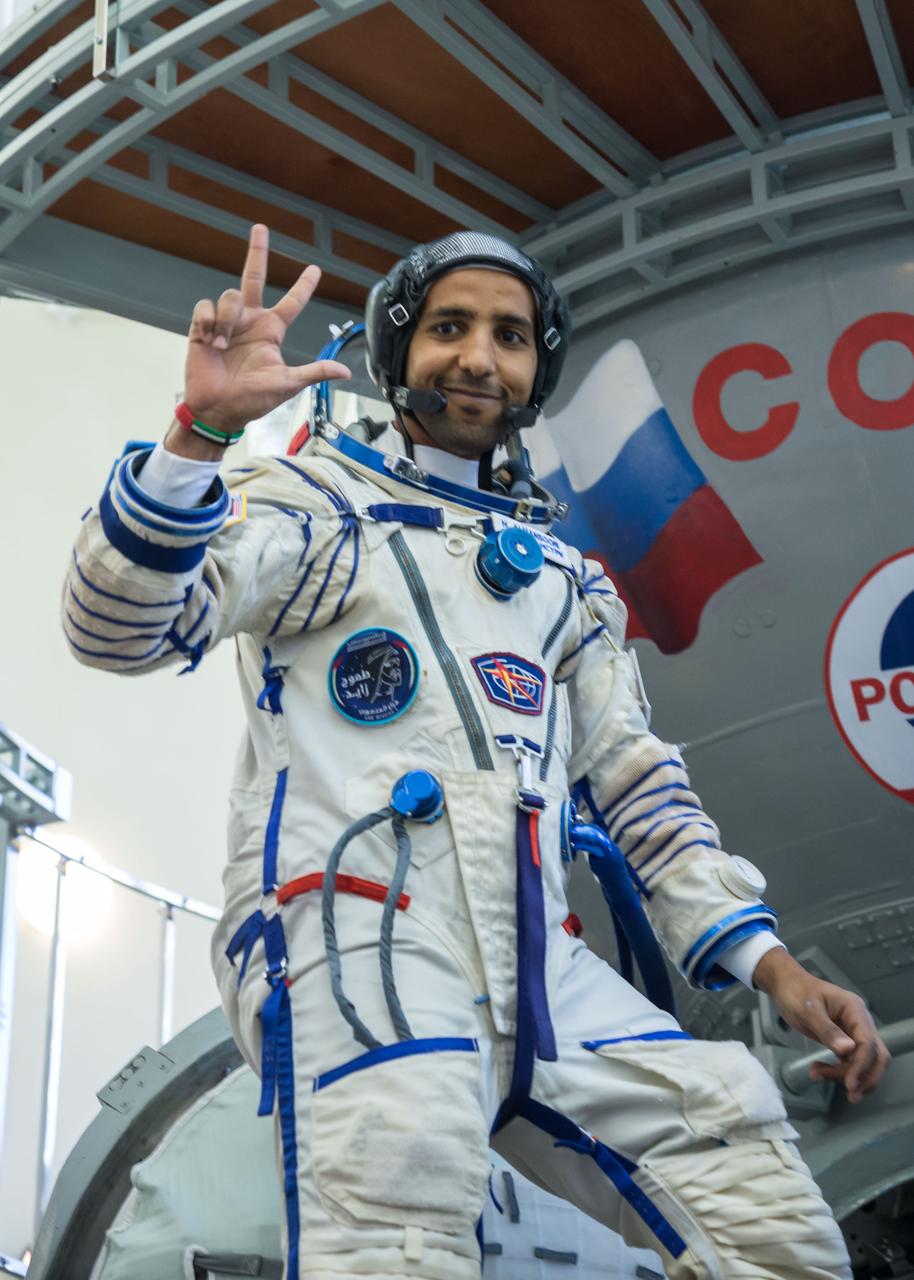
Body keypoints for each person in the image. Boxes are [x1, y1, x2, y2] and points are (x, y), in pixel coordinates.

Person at [64, 223, 889, 1280]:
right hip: (359, 925)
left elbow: (639, 787)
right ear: (395, 352)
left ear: (534, 370)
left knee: (749, 1176)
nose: (477, 358)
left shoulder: (563, 579)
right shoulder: (318, 507)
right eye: (448, 327)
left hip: (535, 958)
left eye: (508, 335)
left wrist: (766, 963)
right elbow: (116, 627)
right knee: (395, 1208)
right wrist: (196, 438)